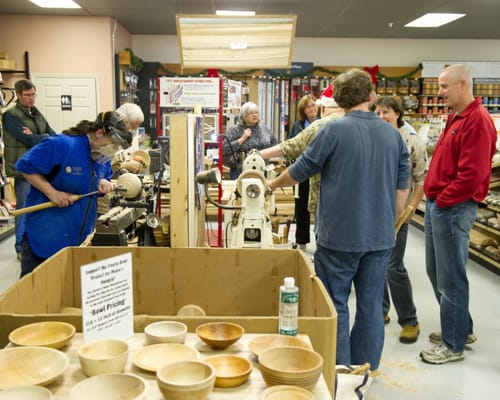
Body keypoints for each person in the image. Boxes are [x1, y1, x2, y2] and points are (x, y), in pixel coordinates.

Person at [267, 69, 410, 372]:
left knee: (336, 305)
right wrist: (387, 224)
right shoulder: (392, 134)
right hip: (379, 237)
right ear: (371, 97)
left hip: (339, 237)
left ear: (339, 100)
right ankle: (366, 370)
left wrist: (271, 185)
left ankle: (341, 372)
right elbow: (402, 191)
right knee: (371, 307)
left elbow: (300, 170)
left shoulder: (333, 130)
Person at [420, 64, 497, 364]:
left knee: (450, 278)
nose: (439, 93)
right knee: (436, 272)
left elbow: (472, 175)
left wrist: (443, 202)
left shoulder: (477, 121)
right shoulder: (456, 115)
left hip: (451, 208)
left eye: (444, 87)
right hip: (438, 205)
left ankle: (453, 345)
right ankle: (461, 328)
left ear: (463, 84)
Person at [15, 111, 132, 277]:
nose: (113, 150)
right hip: (47, 236)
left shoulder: (100, 157)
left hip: (78, 237)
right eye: (113, 143)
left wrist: (102, 183)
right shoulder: (62, 145)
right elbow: (24, 166)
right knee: (36, 295)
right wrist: (52, 193)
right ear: (99, 133)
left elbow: (97, 177)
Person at [372, 95, 427, 343]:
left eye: (387, 112)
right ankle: (381, 311)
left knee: (393, 265)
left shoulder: (411, 140)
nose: (382, 117)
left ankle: (409, 320)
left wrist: (413, 206)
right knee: (376, 263)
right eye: (378, 112)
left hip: (399, 211)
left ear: (397, 113)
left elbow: (421, 178)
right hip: (375, 209)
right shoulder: (375, 137)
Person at [260, 85, 344, 218]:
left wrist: (259, 155)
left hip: (327, 199)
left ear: (322, 107)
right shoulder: (356, 123)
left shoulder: (321, 125)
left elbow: (292, 146)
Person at [1, 79, 56, 259]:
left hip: (39, 167)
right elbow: (27, 140)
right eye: (28, 95)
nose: (32, 98)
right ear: (18, 95)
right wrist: (43, 136)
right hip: (23, 169)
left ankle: (34, 244)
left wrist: (41, 136)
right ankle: (19, 247)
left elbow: (51, 133)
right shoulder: (11, 115)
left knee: (38, 207)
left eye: (33, 94)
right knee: (24, 209)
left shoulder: (35, 112)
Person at [287, 94, 320, 250]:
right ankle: (301, 241)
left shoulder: (324, 123)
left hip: (320, 173)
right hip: (303, 170)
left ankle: (321, 241)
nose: (312, 108)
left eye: (314, 105)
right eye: (308, 106)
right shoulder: (298, 126)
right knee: (301, 207)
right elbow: (291, 145)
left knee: (321, 207)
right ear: (303, 110)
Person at [222, 101, 277, 179]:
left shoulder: (263, 128)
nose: (255, 115)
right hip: (241, 170)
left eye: (256, 112)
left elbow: (274, 143)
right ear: (244, 116)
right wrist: (242, 139)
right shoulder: (235, 130)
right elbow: (224, 149)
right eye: (251, 113)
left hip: (262, 169)